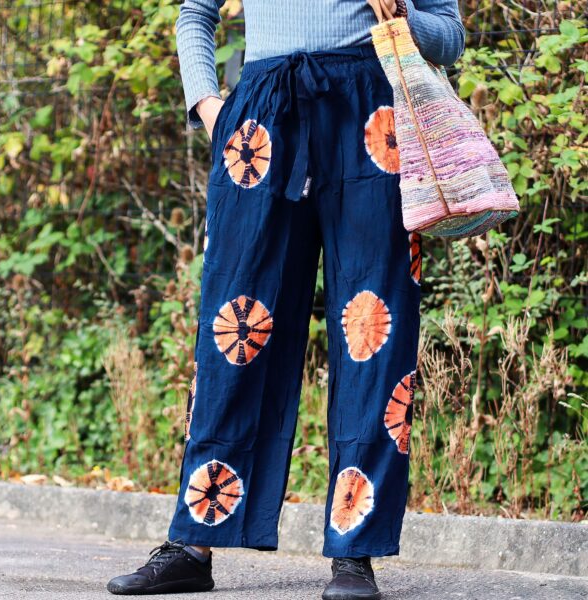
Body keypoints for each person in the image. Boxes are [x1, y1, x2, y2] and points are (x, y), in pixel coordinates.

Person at [106, 0, 465, 598]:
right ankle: (194, 542)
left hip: (374, 114)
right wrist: (210, 107)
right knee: (234, 327)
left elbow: (449, 36)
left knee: (373, 330)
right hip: (261, 117)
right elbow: (196, 13)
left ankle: (355, 552)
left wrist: (401, 11)